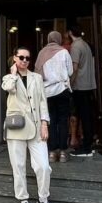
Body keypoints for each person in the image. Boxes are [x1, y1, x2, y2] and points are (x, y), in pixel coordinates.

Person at [2, 48, 57, 203]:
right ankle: (24, 201)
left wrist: (44, 123)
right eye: (21, 57)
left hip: (35, 128)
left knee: (43, 166)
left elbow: (42, 102)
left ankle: (43, 198)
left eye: (28, 58)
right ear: (15, 58)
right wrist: (13, 73)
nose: (25, 60)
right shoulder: (8, 78)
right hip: (16, 128)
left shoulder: (37, 78)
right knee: (18, 167)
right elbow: (8, 88)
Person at [36, 30, 73, 163]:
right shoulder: (64, 52)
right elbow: (70, 71)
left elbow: (37, 73)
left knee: (50, 121)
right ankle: (63, 152)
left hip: (47, 92)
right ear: (59, 39)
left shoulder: (41, 53)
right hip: (62, 90)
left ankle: (52, 152)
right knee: (63, 120)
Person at [67, 26, 96, 157]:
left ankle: (86, 147)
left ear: (70, 33)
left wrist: (70, 83)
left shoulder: (75, 46)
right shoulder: (85, 44)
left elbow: (74, 67)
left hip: (80, 86)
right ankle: (89, 143)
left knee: (83, 116)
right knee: (87, 115)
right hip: (89, 84)